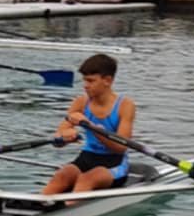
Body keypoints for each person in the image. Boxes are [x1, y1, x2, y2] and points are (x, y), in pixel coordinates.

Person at [41, 53, 136, 197]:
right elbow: (60, 135)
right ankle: (37, 205)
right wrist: (64, 137)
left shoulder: (125, 105)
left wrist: (89, 125)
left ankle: (71, 209)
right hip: (87, 157)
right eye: (84, 80)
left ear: (107, 80)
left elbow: (121, 147)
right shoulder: (80, 102)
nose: (85, 86)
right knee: (62, 175)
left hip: (114, 163)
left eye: (91, 81)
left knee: (87, 179)